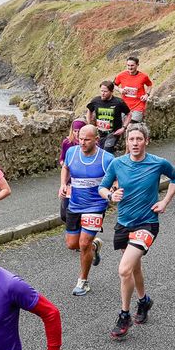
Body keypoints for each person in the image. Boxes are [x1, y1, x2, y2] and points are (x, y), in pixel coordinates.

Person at [98, 123, 175, 341]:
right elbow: (102, 187)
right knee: (134, 268)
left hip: (147, 223)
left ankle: (124, 315)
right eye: (131, 139)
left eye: (139, 139)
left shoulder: (157, 163)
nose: (135, 143)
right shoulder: (118, 164)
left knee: (124, 269)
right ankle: (144, 301)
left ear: (146, 141)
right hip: (124, 224)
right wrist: (110, 196)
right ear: (126, 142)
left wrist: (164, 201)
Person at [59, 124, 112, 296]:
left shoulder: (107, 159)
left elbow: (117, 179)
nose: (82, 142)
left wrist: (113, 191)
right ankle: (95, 246)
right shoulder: (71, 152)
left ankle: (83, 281)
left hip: (96, 206)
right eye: (80, 138)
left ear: (96, 140)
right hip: (75, 204)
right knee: (72, 244)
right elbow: (66, 167)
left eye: (86, 139)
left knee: (83, 244)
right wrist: (62, 184)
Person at [85, 81, 132, 153]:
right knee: (99, 152)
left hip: (113, 133)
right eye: (101, 91)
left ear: (111, 91)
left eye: (105, 91)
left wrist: (123, 128)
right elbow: (89, 111)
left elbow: (129, 114)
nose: (102, 93)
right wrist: (89, 124)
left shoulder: (118, 102)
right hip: (99, 132)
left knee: (106, 152)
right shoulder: (96, 100)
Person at [58, 119, 86, 226]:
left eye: (79, 131)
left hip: (83, 182)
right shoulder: (67, 143)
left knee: (81, 213)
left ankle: (82, 237)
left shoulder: (91, 144)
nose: (77, 134)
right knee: (64, 214)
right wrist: (65, 165)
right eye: (75, 131)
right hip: (69, 181)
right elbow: (62, 159)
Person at [114, 56, 153, 123]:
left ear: (137, 65)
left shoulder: (143, 76)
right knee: (123, 125)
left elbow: (149, 85)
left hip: (138, 106)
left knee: (133, 125)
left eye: (132, 65)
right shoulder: (121, 75)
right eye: (128, 65)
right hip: (124, 106)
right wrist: (120, 89)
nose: (130, 67)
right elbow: (113, 85)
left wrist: (147, 94)